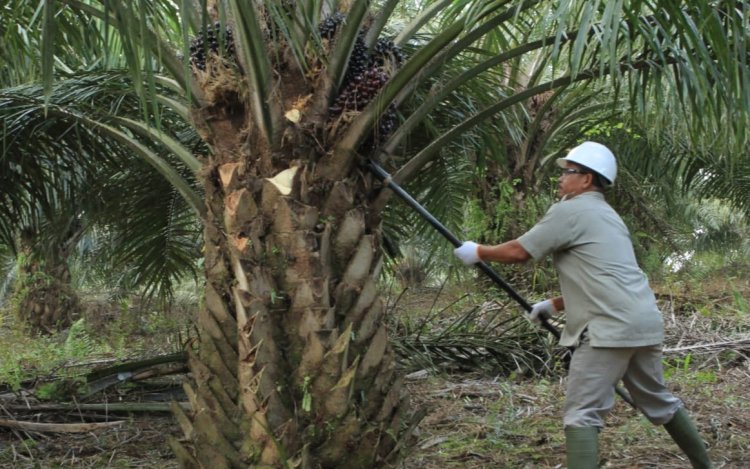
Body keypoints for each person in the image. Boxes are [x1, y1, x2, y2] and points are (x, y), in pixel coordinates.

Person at [453, 141, 713, 469]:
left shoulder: (571, 210)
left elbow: (520, 252)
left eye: (569, 172)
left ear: (587, 180)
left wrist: (479, 252)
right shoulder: (609, 216)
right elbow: (609, 276)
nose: (561, 179)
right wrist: (554, 304)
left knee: (582, 414)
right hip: (643, 322)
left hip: (608, 327)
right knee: (660, 401)